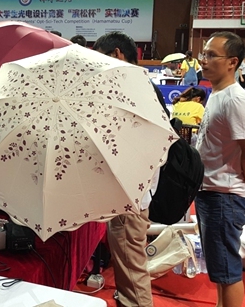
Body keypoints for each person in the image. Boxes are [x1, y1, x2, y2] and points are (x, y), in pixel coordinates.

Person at [93, 31, 169, 307]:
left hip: (130, 193)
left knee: (131, 269)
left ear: (116, 54)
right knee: (129, 265)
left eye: (100, 59)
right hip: (133, 189)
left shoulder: (133, 89)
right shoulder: (140, 85)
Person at [195, 31, 245, 307]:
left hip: (223, 195)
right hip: (211, 189)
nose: (204, 60)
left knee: (228, 270)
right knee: (219, 268)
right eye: (204, 54)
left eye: (212, 55)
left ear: (232, 62)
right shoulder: (217, 93)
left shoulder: (235, 99)